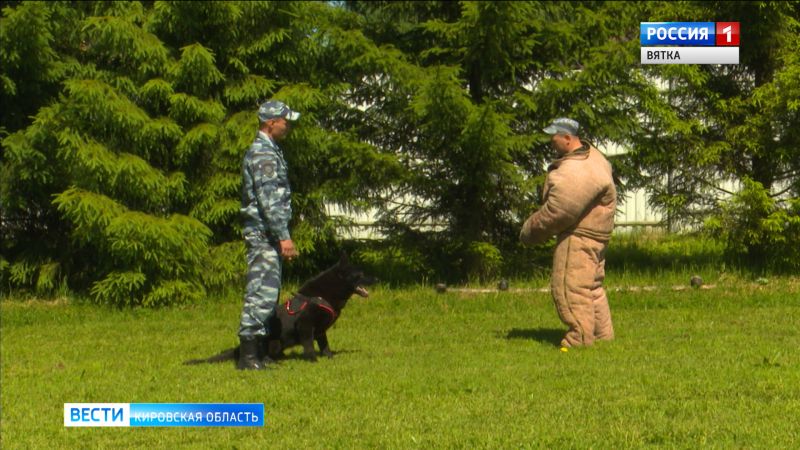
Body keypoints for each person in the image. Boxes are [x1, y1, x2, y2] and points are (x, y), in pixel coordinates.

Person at [519, 118, 617, 348]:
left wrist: (530, 231)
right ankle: (602, 336)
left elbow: (559, 211)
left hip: (578, 237)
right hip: (597, 235)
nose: (550, 141)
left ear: (567, 138)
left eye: (554, 136)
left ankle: (579, 338)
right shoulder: (594, 157)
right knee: (592, 288)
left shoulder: (576, 169)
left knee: (570, 288)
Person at [237, 100, 301, 370]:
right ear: (270, 122)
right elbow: (269, 200)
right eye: (285, 120)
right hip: (264, 234)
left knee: (268, 292)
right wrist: (283, 236)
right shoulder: (263, 155)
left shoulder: (271, 151)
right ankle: (248, 355)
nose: (288, 125)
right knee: (260, 292)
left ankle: (260, 351)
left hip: (268, 234)